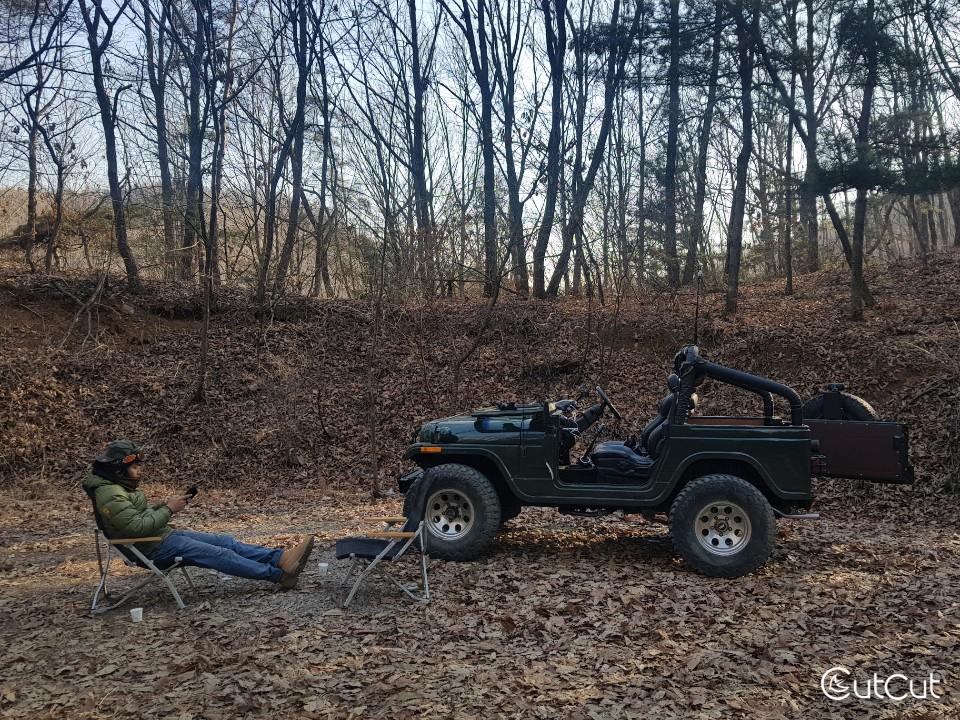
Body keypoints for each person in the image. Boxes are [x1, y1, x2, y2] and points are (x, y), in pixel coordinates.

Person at [82, 440, 314, 590]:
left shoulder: (117, 489)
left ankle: (281, 558)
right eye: (134, 467)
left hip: (161, 538)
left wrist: (163, 505)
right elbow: (135, 528)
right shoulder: (109, 494)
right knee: (220, 554)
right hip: (152, 549)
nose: (139, 470)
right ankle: (279, 575)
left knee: (225, 541)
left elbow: (137, 518)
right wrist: (169, 509)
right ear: (118, 470)